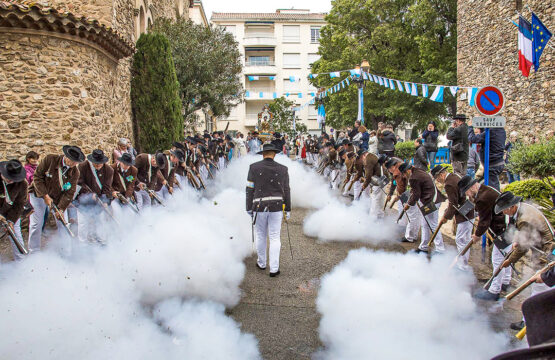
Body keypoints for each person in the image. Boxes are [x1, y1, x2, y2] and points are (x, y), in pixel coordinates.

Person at [493, 191, 554, 330]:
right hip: (541, 249)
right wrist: (516, 240)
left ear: (512, 207)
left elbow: (523, 247)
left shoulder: (524, 218)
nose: (503, 213)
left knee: (539, 286)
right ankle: (530, 320)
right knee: (540, 287)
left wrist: (510, 260)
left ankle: (529, 322)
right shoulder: (521, 210)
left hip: (546, 252)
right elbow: (521, 235)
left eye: (504, 210)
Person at [458, 175, 508, 301]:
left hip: (500, 227)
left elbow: (484, 221)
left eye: (467, 191)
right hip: (505, 226)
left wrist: (477, 235)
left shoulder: (482, 198)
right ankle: (505, 282)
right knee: (506, 256)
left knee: (497, 259)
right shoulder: (485, 190)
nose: (468, 194)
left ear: (473, 186)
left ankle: (494, 291)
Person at [28, 145, 84, 255]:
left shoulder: (75, 172)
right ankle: (33, 252)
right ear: (66, 156)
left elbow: (70, 192)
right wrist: (45, 195)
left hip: (57, 199)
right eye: (72, 161)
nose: (73, 164)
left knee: (63, 223)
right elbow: (37, 177)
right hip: (38, 194)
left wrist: (61, 208)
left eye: (76, 162)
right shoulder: (50, 160)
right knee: (36, 224)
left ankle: (65, 252)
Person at [246, 143, 291, 277]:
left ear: (263, 154)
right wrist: (287, 208)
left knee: (261, 235)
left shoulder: (253, 167)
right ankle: (274, 269)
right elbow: (287, 190)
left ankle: (262, 263)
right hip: (277, 206)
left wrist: (248, 207)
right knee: (275, 237)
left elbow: (249, 189)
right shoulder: (283, 169)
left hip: (258, 206)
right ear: (275, 154)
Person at [432, 165, 475, 271]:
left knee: (461, 239)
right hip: (466, 209)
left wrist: (446, 216)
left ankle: (463, 266)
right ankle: (462, 263)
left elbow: (453, 203)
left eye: (437, 179)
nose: (438, 181)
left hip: (464, 212)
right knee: (463, 238)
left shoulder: (449, 184)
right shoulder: (453, 176)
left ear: (441, 175)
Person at [401, 162, 446, 253]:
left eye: (404, 173)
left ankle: (440, 249)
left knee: (433, 226)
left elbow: (416, 195)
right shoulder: (419, 171)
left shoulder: (414, 177)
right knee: (425, 225)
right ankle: (423, 247)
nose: (405, 176)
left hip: (431, 201)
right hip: (432, 200)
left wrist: (408, 205)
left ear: (408, 170)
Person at [73, 149, 114, 242]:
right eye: (96, 163)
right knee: (83, 223)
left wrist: (105, 201)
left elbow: (107, 187)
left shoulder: (109, 170)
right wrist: (89, 193)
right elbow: (79, 183)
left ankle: (101, 240)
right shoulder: (82, 167)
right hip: (84, 200)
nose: (98, 165)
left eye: (100, 163)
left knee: (100, 221)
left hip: (99, 200)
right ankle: (82, 243)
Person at [386, 158, 420, 243]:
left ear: (393, 166)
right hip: (409, 192)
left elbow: (401, 187)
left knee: (411, 215)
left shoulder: (397, 172)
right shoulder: (399, 169)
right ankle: (410, 233)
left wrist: (402, 197)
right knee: (411, 214)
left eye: (389, 169)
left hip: (409, 193)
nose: (389, 171)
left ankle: (410, 236)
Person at [0, 159, 28, 261]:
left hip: (11, 212)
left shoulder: (22, 184)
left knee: (16, 234)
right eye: (9, 178)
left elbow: (19, 204)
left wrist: (11, 220)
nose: (11, 180)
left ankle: (21, 263)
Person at [468, 122, 506, 191]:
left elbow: (472, 139)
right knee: (492, 185)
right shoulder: (501, 130)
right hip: (499, 162)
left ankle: (494, 201)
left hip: (492, 164)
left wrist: (470, 127)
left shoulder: (491, 132)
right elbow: (485, 137)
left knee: (493, 189)